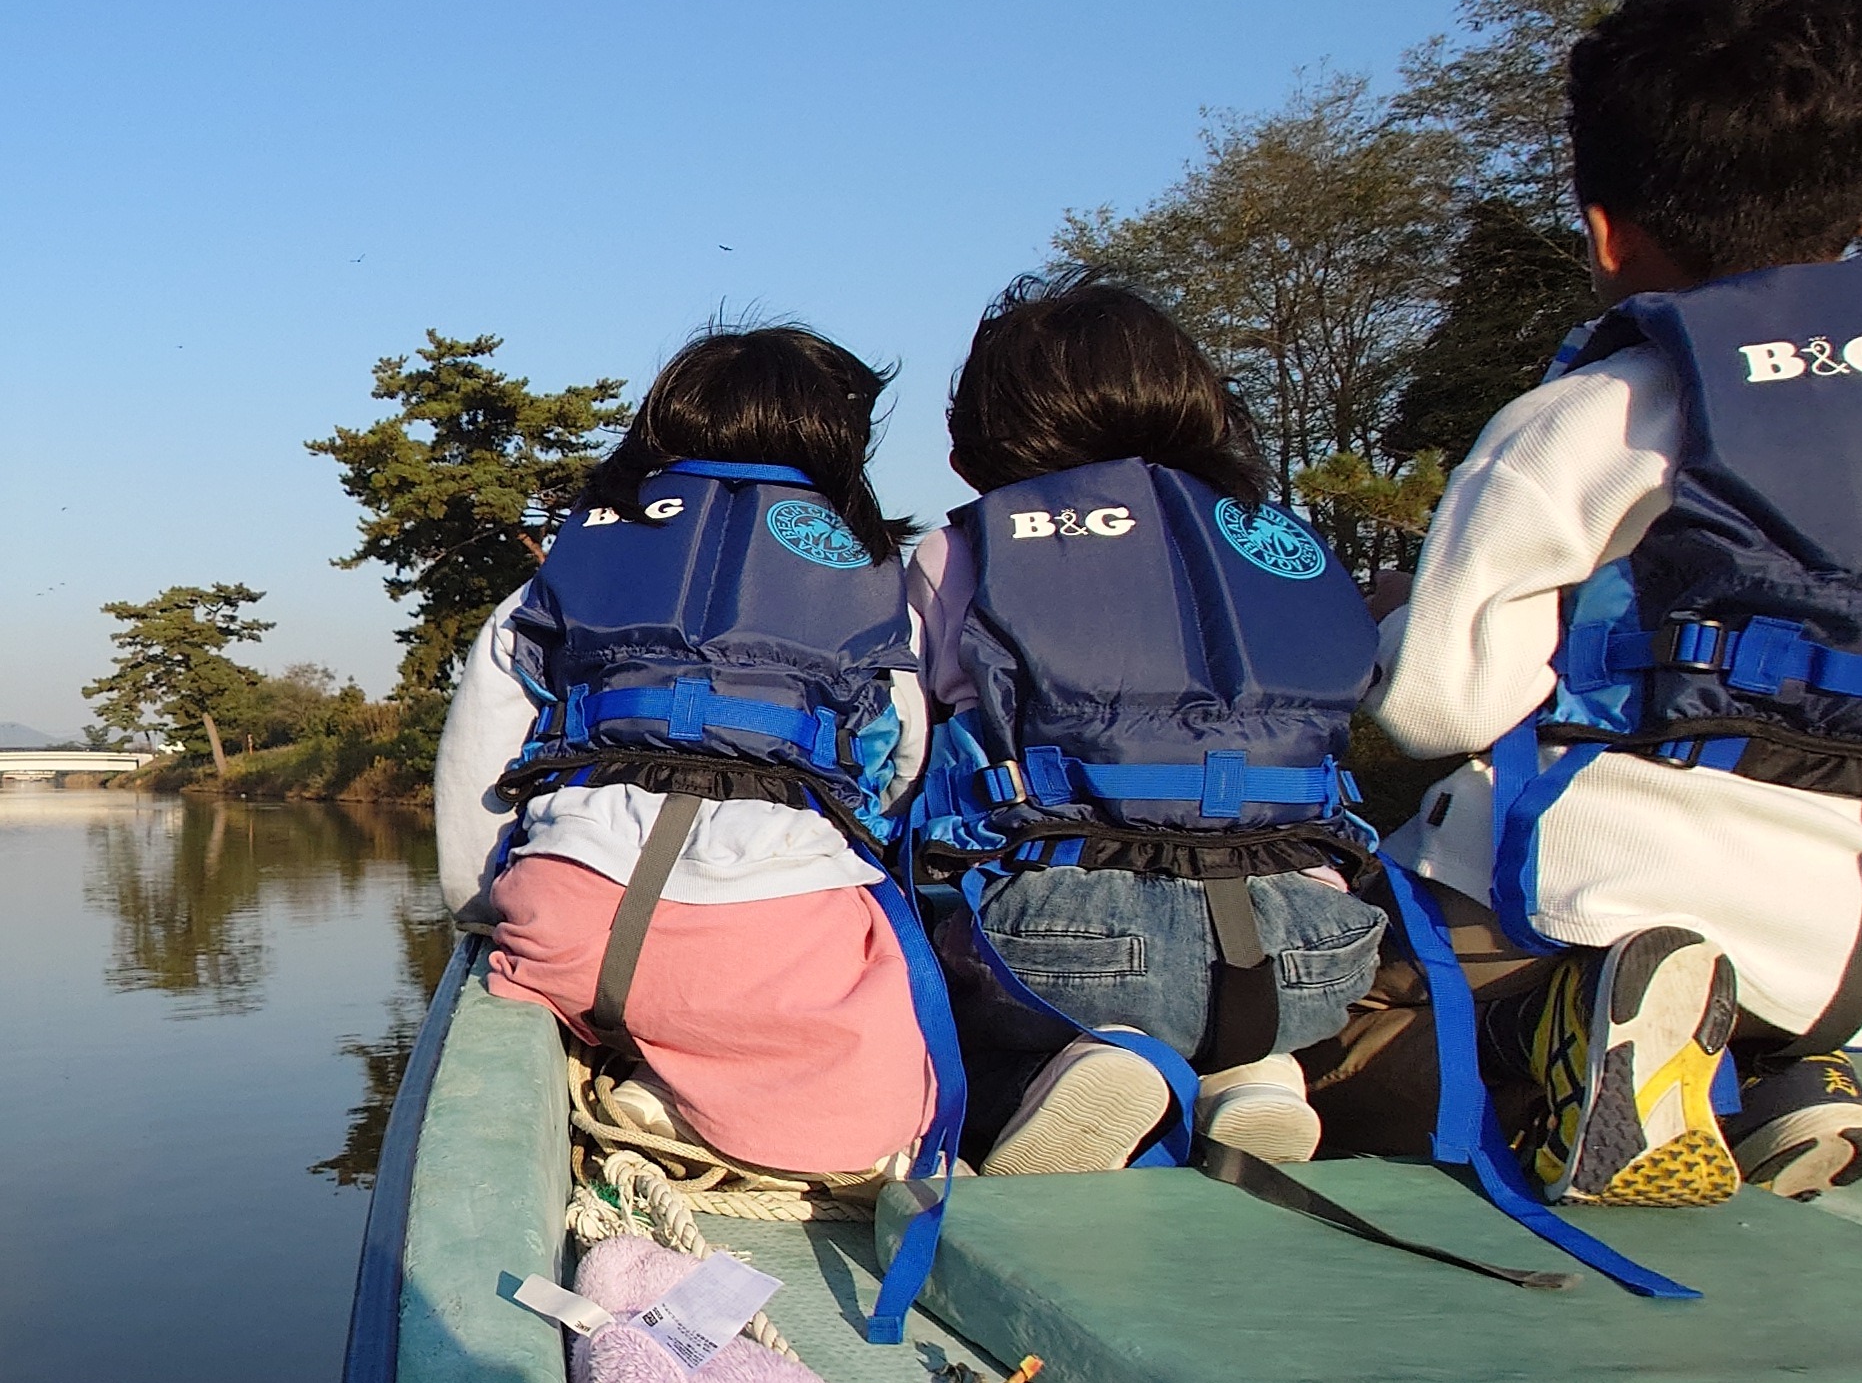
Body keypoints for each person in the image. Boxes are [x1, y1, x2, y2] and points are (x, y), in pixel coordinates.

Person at [1310, 0, 1862, 1202]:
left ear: (1603, 231)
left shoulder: (1600, 408)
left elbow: (1436, 708)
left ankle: (1579, 1037)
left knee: (1309, 1044)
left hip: (1598, 914)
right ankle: (1790, 1074)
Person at [433, 324, 935, 1180]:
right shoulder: (879, 599)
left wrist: (482, 919)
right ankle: (691, 1101)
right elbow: (896, 776)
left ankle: (637, 1069)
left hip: (565, 926)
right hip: (763, 942)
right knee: (888, 1118)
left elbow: (474, 774)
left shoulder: (555, 578)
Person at [908, 281, 1390, 1173]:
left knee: (933, 1015)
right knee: (1241, 1003)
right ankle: (1259, 1077)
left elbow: (906, 754)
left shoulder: (965, 552)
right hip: (1311, 944)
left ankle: (1062, 1078)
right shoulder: (1284, 546)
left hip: (1071, 936)